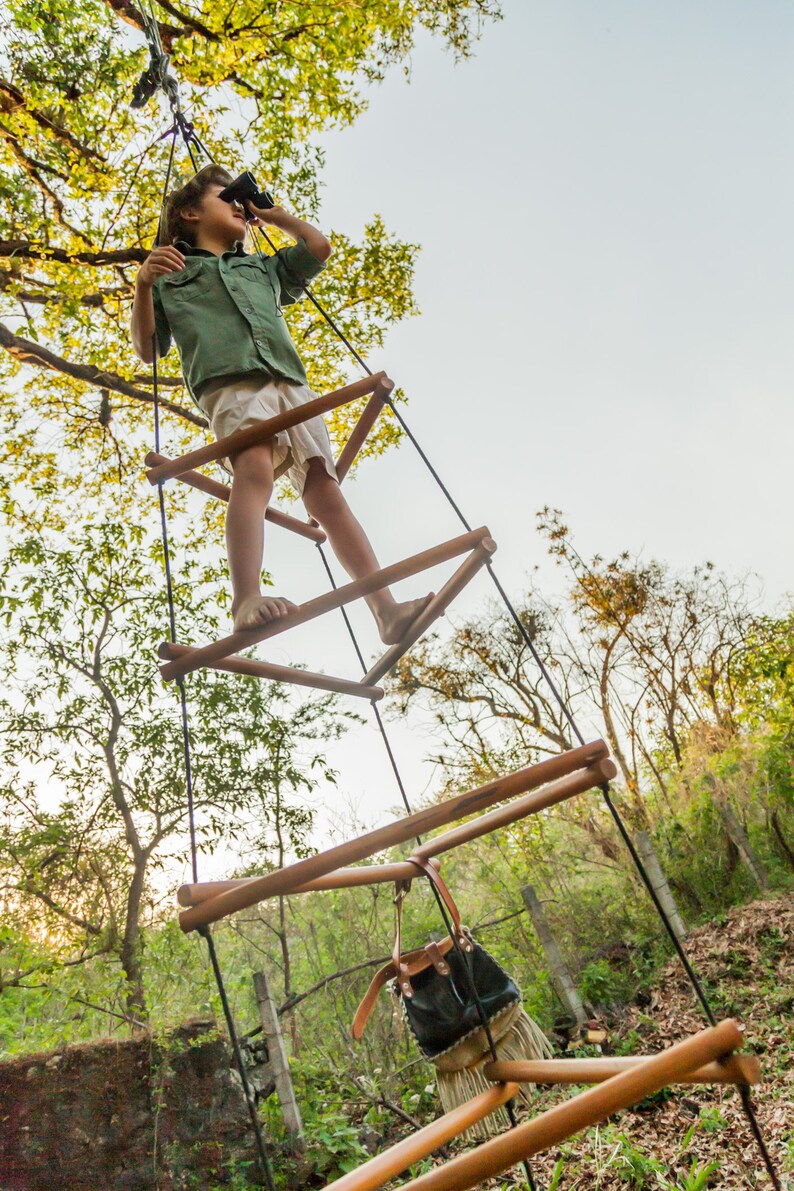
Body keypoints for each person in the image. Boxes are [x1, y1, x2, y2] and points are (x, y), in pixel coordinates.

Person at [130, 164, 431, 641]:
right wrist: (143, 285)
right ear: (189, 212)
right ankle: (245, 596)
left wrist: (274, 216)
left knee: (325, 493)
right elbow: (148, 350)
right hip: (230, 383)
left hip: (290, 384)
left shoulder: (258, 267)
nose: (237, 203)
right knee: (254, 468)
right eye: (225, 196)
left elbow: (317, 248)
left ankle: (384, 609)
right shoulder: (171, 275)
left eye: (240, 198)